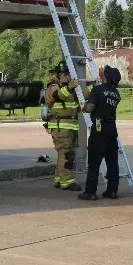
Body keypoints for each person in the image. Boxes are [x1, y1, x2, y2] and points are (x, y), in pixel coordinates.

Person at [78, 65, 121, 201]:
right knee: (112, 162)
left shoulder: (98, 90)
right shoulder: (117, 94)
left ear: (107, 77)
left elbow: (90, 107)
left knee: (94, 163)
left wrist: (83, 107)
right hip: (112, 130)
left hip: (99, 129)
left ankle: (90, 192)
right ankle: (112, 191)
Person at [43, 62, 87, 191]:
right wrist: (69, 87)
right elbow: (59, 96)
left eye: (69, 74)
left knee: (63, 154)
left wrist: (93, 89)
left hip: (69, 127)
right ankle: (67, 182)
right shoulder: (53, 88)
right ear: (59, 75)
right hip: (60, 128)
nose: (68, 77)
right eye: (66, 74)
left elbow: (78, 101)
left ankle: (59, 179)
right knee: (66, 154)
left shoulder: (68, 89)